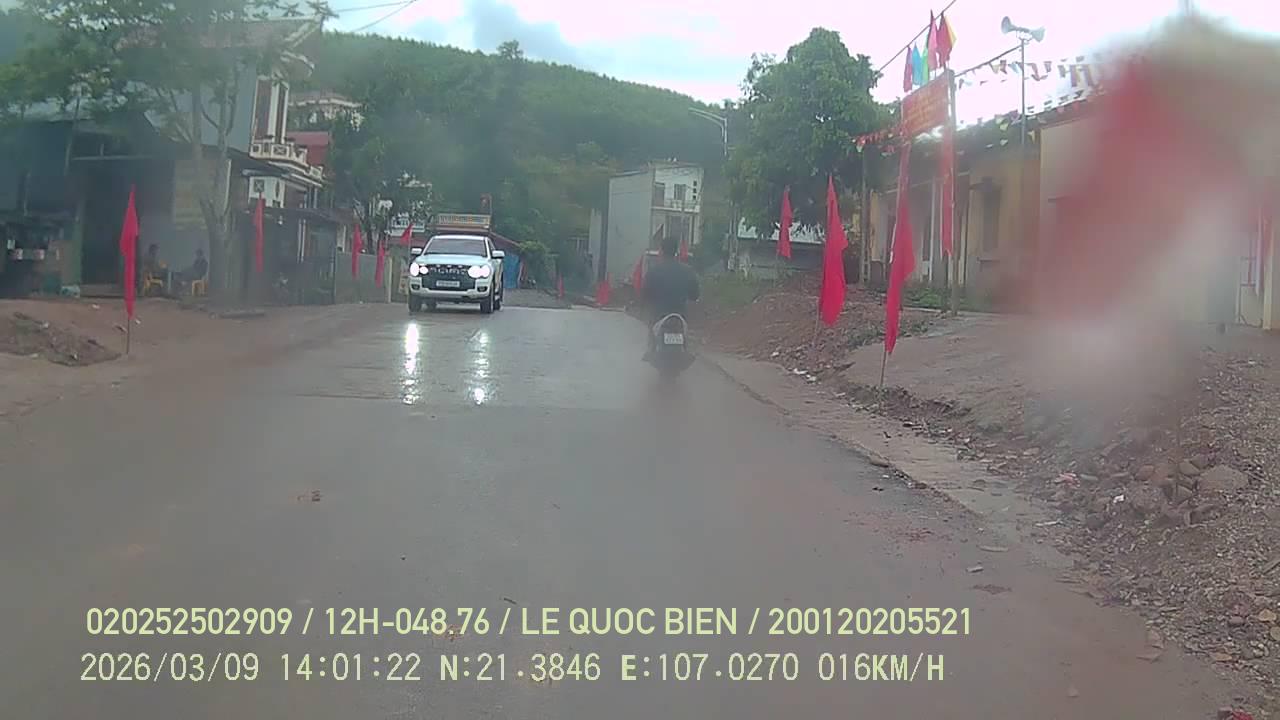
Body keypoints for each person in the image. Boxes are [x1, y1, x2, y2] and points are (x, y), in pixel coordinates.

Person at [641, 236, 700, 360]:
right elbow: (695, 295)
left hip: (659, 316)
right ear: (676, 251)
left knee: (650, 322)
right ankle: (685, 348)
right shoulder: (688, 271)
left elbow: (645, 295)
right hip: (680, 316)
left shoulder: (653, 271)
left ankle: (651, 349)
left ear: (661, 251)